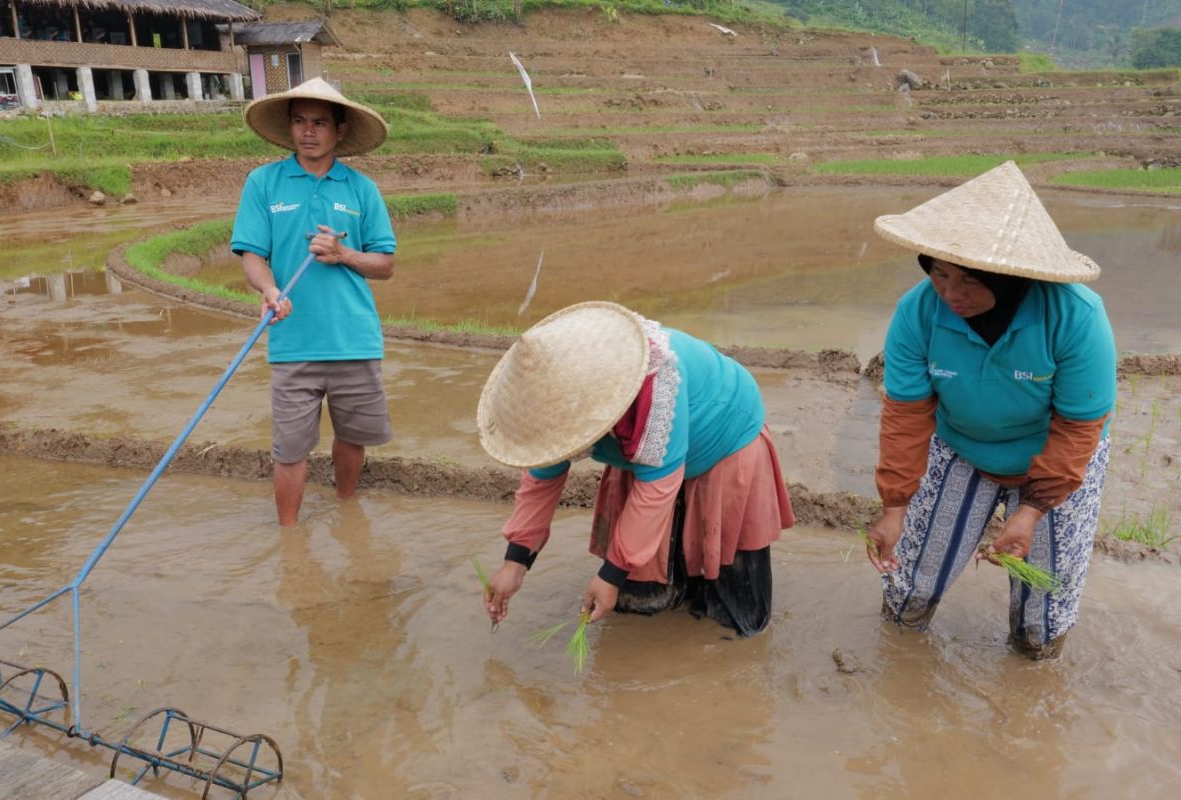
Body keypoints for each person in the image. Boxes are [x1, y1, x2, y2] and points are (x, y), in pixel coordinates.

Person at [864, 161, 1117, 659]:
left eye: (969, 282)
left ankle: (1033, 658)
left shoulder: (1075, 317)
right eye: (939, 273)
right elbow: (907, 417)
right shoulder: (918, 312)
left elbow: (1078, 425)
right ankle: (899, 651)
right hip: (963, 447)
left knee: (1043, 604)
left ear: (1009, 278)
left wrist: (1031, 509)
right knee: (915, 574)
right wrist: (893, 506)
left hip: (1055, 459)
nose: (950, 294)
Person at [476, 301, 795, 636]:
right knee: (640, 601)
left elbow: (656, 488)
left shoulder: (653, 390)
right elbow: (541, 481)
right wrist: (515, 563)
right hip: (648, 453)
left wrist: (611, 574)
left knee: (730, 609)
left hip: (723, 431)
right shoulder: (554, 401)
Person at [231, 77, 397, 526]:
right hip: (293, 340)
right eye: (300, 121)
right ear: (289, 127)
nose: (309, 131)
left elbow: (385, 264)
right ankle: (289, 537)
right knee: (290, 448)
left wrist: (342, 253)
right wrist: (268, 290)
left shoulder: (361, 189)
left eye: (320, 122)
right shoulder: (264, 183)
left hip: (353, 339)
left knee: (352, 437)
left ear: (339, 131)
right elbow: (252, 256)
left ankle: (346, 509)